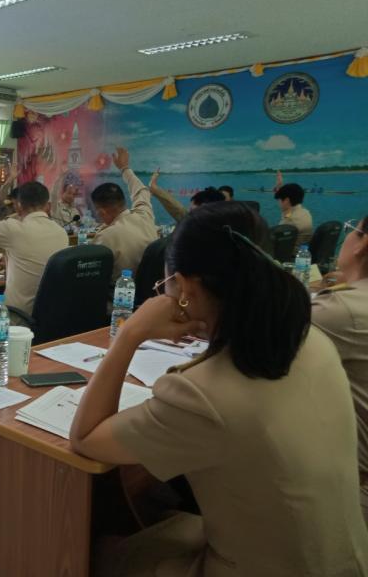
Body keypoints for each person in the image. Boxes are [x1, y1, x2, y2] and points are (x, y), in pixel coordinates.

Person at [70, 202, 368, 576]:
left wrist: (130, 334)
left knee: (100, 549)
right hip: (344, 558)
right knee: (161, 514)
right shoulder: (311, 341)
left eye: (166, 285)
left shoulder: (200, 395)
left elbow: (85, 437)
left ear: (186, 288)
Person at [312, 215, 368, 522]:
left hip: (352, 494)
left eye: (351, 231)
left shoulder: (341, 310)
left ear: (362, 244)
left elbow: (251, 336)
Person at [0, 154, 68, 314]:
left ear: (19, 206)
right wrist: (10, 260)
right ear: (47, 206)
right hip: (51, 313)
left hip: (17, 314)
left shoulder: (15, 229)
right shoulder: (61, 232)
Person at [91, 147, 158, 277]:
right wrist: (124, 168)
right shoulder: (145, 215)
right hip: (151, 285)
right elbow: (142, 191)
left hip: (120, 289)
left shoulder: (105, 238)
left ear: (101, 212)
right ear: (122, 200)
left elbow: (93, 274)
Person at [149, 171, 226, 223]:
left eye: (191, 209)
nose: (189, 210)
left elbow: (179, 210)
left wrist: (154, 188)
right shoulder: (219, 222)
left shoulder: (194, 223)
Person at [274, 171, 313, 248]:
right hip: (303, 251)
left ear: (287, 200)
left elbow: (274, 242)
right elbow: (285, 212)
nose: (279, 203)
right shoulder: (306, 212)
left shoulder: (289, 221)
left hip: (289, 254)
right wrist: (279, 186)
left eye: (280, 200)